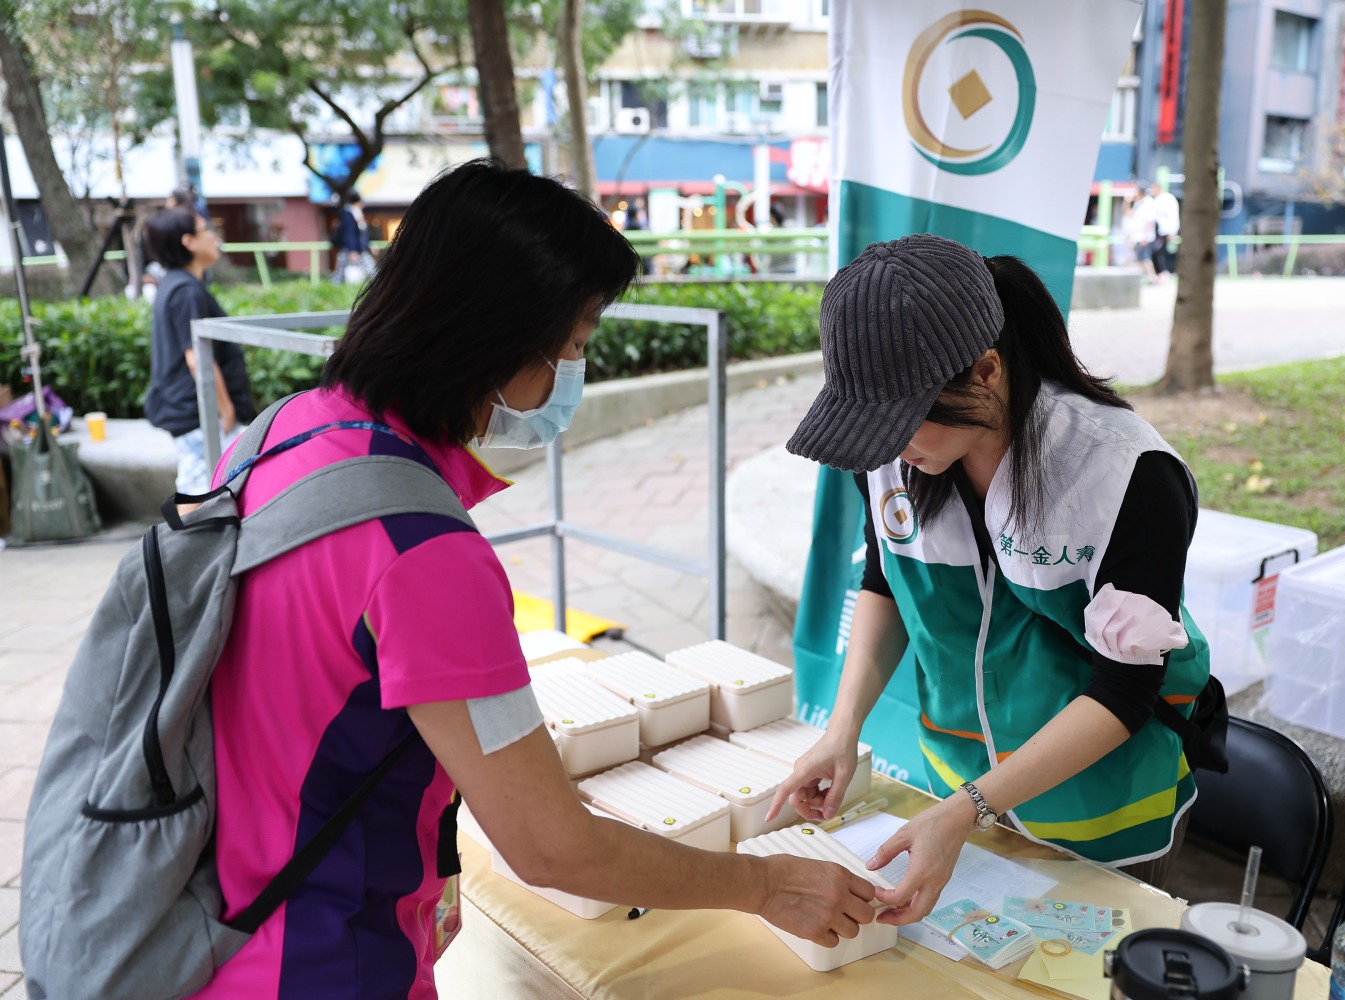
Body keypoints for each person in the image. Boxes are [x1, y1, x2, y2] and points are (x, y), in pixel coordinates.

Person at [187, 159, 875, 998]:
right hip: (321, 963)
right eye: (575, 346)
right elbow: (552, 846)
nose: (572, 376)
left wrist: (433, 856)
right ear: (494, 340)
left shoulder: (282, 434)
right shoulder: (423, 552)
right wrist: (766, 886)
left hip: (216, 923)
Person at [768, 235, 1210, 926]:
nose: (886, 449)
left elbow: (1125, 689)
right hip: (957, 795)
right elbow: (886, 577)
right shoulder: (890, 451)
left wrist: (969, 807)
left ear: (987, 370)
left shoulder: (1126, 474)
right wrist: (843, 730)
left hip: (1099, 809)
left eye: (902, 420)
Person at [143, 206, 254, 495]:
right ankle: (179, 541)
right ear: (187, 241)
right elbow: (197, 358)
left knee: (204, 494)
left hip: (193, 411)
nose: (214, 237)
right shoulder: (186, 291)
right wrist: (226, 409)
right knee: (199, 497)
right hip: (200, 414)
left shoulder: (177, 285)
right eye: (206, 230)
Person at [332, 191, 374, 282]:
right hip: (353, 249)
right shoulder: (349, 214)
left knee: (340, 273)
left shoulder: (353, 213)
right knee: (372, 271)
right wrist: (353, 250)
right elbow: (349, 233)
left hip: (354, 248)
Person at [1124, 186, 1157, 283]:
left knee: (1145, 258)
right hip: (1137, 236)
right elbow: (1128, 214)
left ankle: (1152, 278)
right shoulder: (1138, 203)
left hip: (1144, 237)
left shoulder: (1148, 203)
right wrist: (1127, 202)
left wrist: (1145, 236)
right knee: (1141, 259)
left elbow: (1149, 221)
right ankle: (1148, 278)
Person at [1148, 181, 1179, 278]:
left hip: (1166, 231)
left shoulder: (1168, 199)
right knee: (1156, 252)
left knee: (1161, 252)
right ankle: (1160, 273)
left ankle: (1165, 272)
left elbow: (1173, 215)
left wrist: (1173, 230)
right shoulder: (1155, 200)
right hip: (1158, 231)